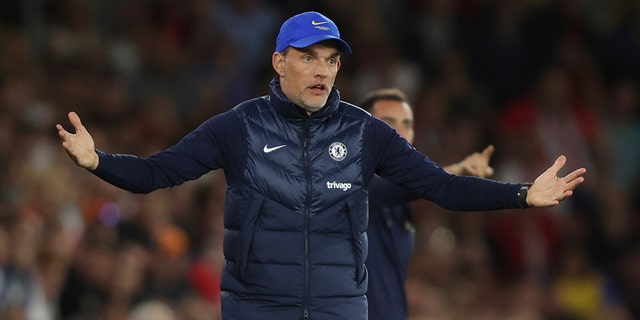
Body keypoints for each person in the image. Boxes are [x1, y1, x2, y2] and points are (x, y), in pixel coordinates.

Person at [56, 11, 586, 320]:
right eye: (307, 56)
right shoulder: (237, 127)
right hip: (257, 309)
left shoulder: (364, 132)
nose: (322, 70)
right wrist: (97, 161)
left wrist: (521, 194)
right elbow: (155, 175)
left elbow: (442, 188)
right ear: (278, 62)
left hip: (339, 309)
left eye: (331, 59)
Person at [361, 88, 495, 320]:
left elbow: (478, 267)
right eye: (388, 122)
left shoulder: (446, 202)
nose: (399, 131)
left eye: (406, 124)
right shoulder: (360, 185)